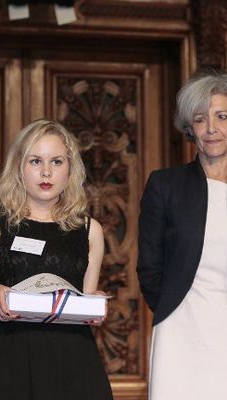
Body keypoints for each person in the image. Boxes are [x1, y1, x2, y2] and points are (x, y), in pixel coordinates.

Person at [0, 119, 112, 400]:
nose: (46, 172)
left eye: (56, 162)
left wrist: (97, 303)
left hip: (74, 360)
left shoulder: (91, 230)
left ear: (70, 169)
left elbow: (88, 298)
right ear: (19, 167)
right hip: (11, 358)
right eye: (35, 161)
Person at [138, 71, 227, 399]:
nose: (212, 128)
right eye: (201, 119)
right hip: (180, 328)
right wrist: (169, 310)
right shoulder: (165, 185)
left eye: (222, 116)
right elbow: (149, 265)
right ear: (190, 128)